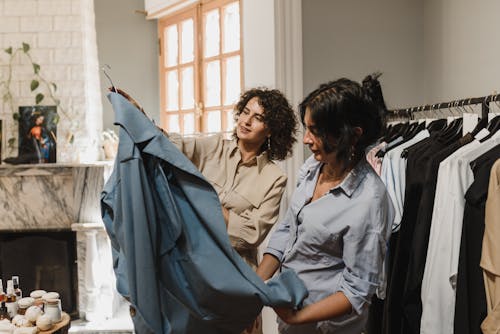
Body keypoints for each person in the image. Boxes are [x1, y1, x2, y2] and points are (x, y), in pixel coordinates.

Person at [255, 78, 395, 333]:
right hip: (292, 323)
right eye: (306, 128)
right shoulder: (313, 167)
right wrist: (255, 284)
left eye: (316, 130)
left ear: (352, 135)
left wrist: (299, 317)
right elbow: (287, 229)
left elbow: (357, 291)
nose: (306, 139)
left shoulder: (368, 202)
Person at [169, 88, 298, 271]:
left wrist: (203, 199)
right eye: (245, 112)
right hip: (190, 262)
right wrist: (138, 117)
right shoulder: (213, 146)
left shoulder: (275, 178)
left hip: (234, 273)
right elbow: (171, 145)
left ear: (271, 131)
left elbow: (251, 235)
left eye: (258, 118)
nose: (246, 121)